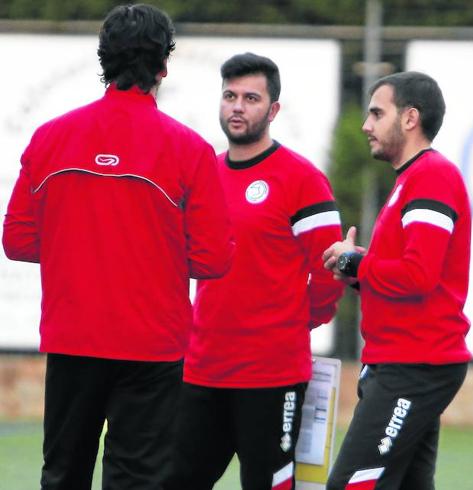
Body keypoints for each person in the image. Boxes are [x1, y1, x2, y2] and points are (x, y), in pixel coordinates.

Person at [2, 4, 233, 490]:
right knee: (139, 479)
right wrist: (150, 252)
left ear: (104, 60)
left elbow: (18, 240)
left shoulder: (50, 138)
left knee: (63, 474)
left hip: (72, 339)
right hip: (153, 347)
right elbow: (214, 259)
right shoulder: (190, 150)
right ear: (163, 66)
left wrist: (81, 244)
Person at [165, 52, 344, 490]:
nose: (238, 107)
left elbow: (327, 271)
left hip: (272, 374)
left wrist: (296, 322)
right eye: (229, 96)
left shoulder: (302, 179)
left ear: (273, 109)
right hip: (202, 369)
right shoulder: (202, 173)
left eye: (250, 97)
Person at [323, 71, 472, 490]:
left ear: (410, 118)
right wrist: (357, 271)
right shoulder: (412, 178)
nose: (366, 125)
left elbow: (418, 276)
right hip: (407, 361)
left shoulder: (431, 176)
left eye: (376, 112)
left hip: (415, 366)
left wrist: (357, 265)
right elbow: (408, 274)